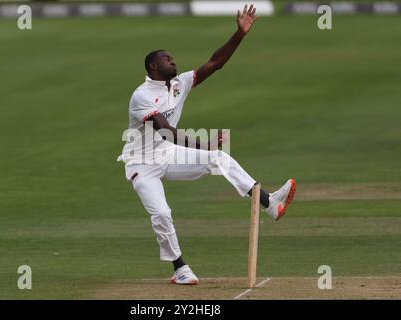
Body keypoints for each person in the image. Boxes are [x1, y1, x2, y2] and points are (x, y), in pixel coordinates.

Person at [117, 4, 296, 285]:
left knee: (219, 159)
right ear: (153, 66)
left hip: (168, 155)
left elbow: (215, 63)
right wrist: (205, 142)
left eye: (173, 59)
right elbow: (166, 132)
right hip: (142, 164)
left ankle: (269, 203)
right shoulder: (141, 96)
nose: (173, 63)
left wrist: (240, 34)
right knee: (162, 213)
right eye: (167, 59)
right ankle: (180, 268)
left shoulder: (177, 84)